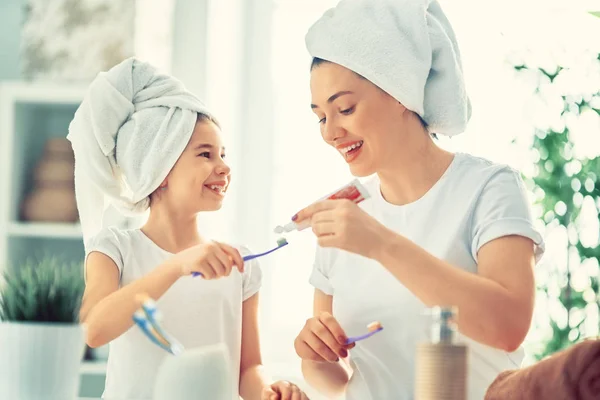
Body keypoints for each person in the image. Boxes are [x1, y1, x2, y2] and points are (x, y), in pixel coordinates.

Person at [291, 1, 545, 399]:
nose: (330, 133)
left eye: (344, 109)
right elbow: (336, 377)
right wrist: (315, 356)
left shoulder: (488, 188)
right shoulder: (341, 213)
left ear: (399, 92)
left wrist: (380, 243)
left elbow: (508, 326)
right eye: (321, 117)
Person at [69, 58, 309, 400]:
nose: (224, 167)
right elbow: (94, 329)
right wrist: (177, 266)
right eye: (206, 154)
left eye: (223, 154)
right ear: (161, 169)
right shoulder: (114, 249)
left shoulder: (240, 264)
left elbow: (247, 369)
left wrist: (269, 391)